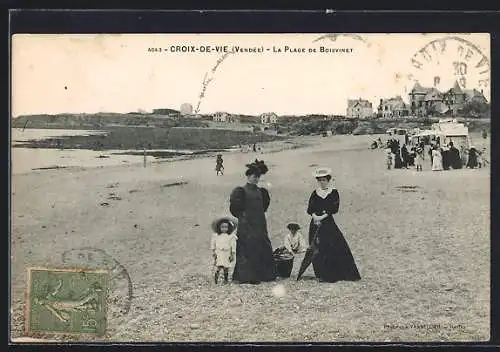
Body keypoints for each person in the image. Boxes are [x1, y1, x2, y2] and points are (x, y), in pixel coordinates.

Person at [306, 167, 361, 283]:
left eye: (324, 180)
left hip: (327, 222)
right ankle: (321, 273)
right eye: (320, 180)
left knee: (332, 245)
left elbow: (333, 208)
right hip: (315, 223)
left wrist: (322, 217)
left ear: (328, 180)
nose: (322, 182)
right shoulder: (315, 193)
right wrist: (315, 217)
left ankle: (334, 273)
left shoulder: (333, 193)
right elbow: (310, 208)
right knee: (317, 247)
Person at [229, 159, 277, 284]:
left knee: (262, 245)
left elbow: (264, 206)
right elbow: (234, 208)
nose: (256, 179)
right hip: (246, 224)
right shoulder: (240, 191)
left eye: (258, 177)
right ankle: (247, 276)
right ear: (248, 176)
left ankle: (264, 274)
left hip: (260, 223)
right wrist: (243, 217)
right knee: (247, 247)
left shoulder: (262, 192)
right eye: (254, 176)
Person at [211, 217, 238, 284]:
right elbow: (213, 243)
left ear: (229, 228)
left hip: (227, 253)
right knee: (218, 267)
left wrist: (232, 254)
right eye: (222, 227)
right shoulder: (216, 236)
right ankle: (215, 280)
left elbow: (233, 245)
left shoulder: (231, 236)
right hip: (219, 253)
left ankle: (225, 280)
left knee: (226, 267)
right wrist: (213, 252)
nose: (224, 229)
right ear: (219, 228)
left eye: (226, 227)